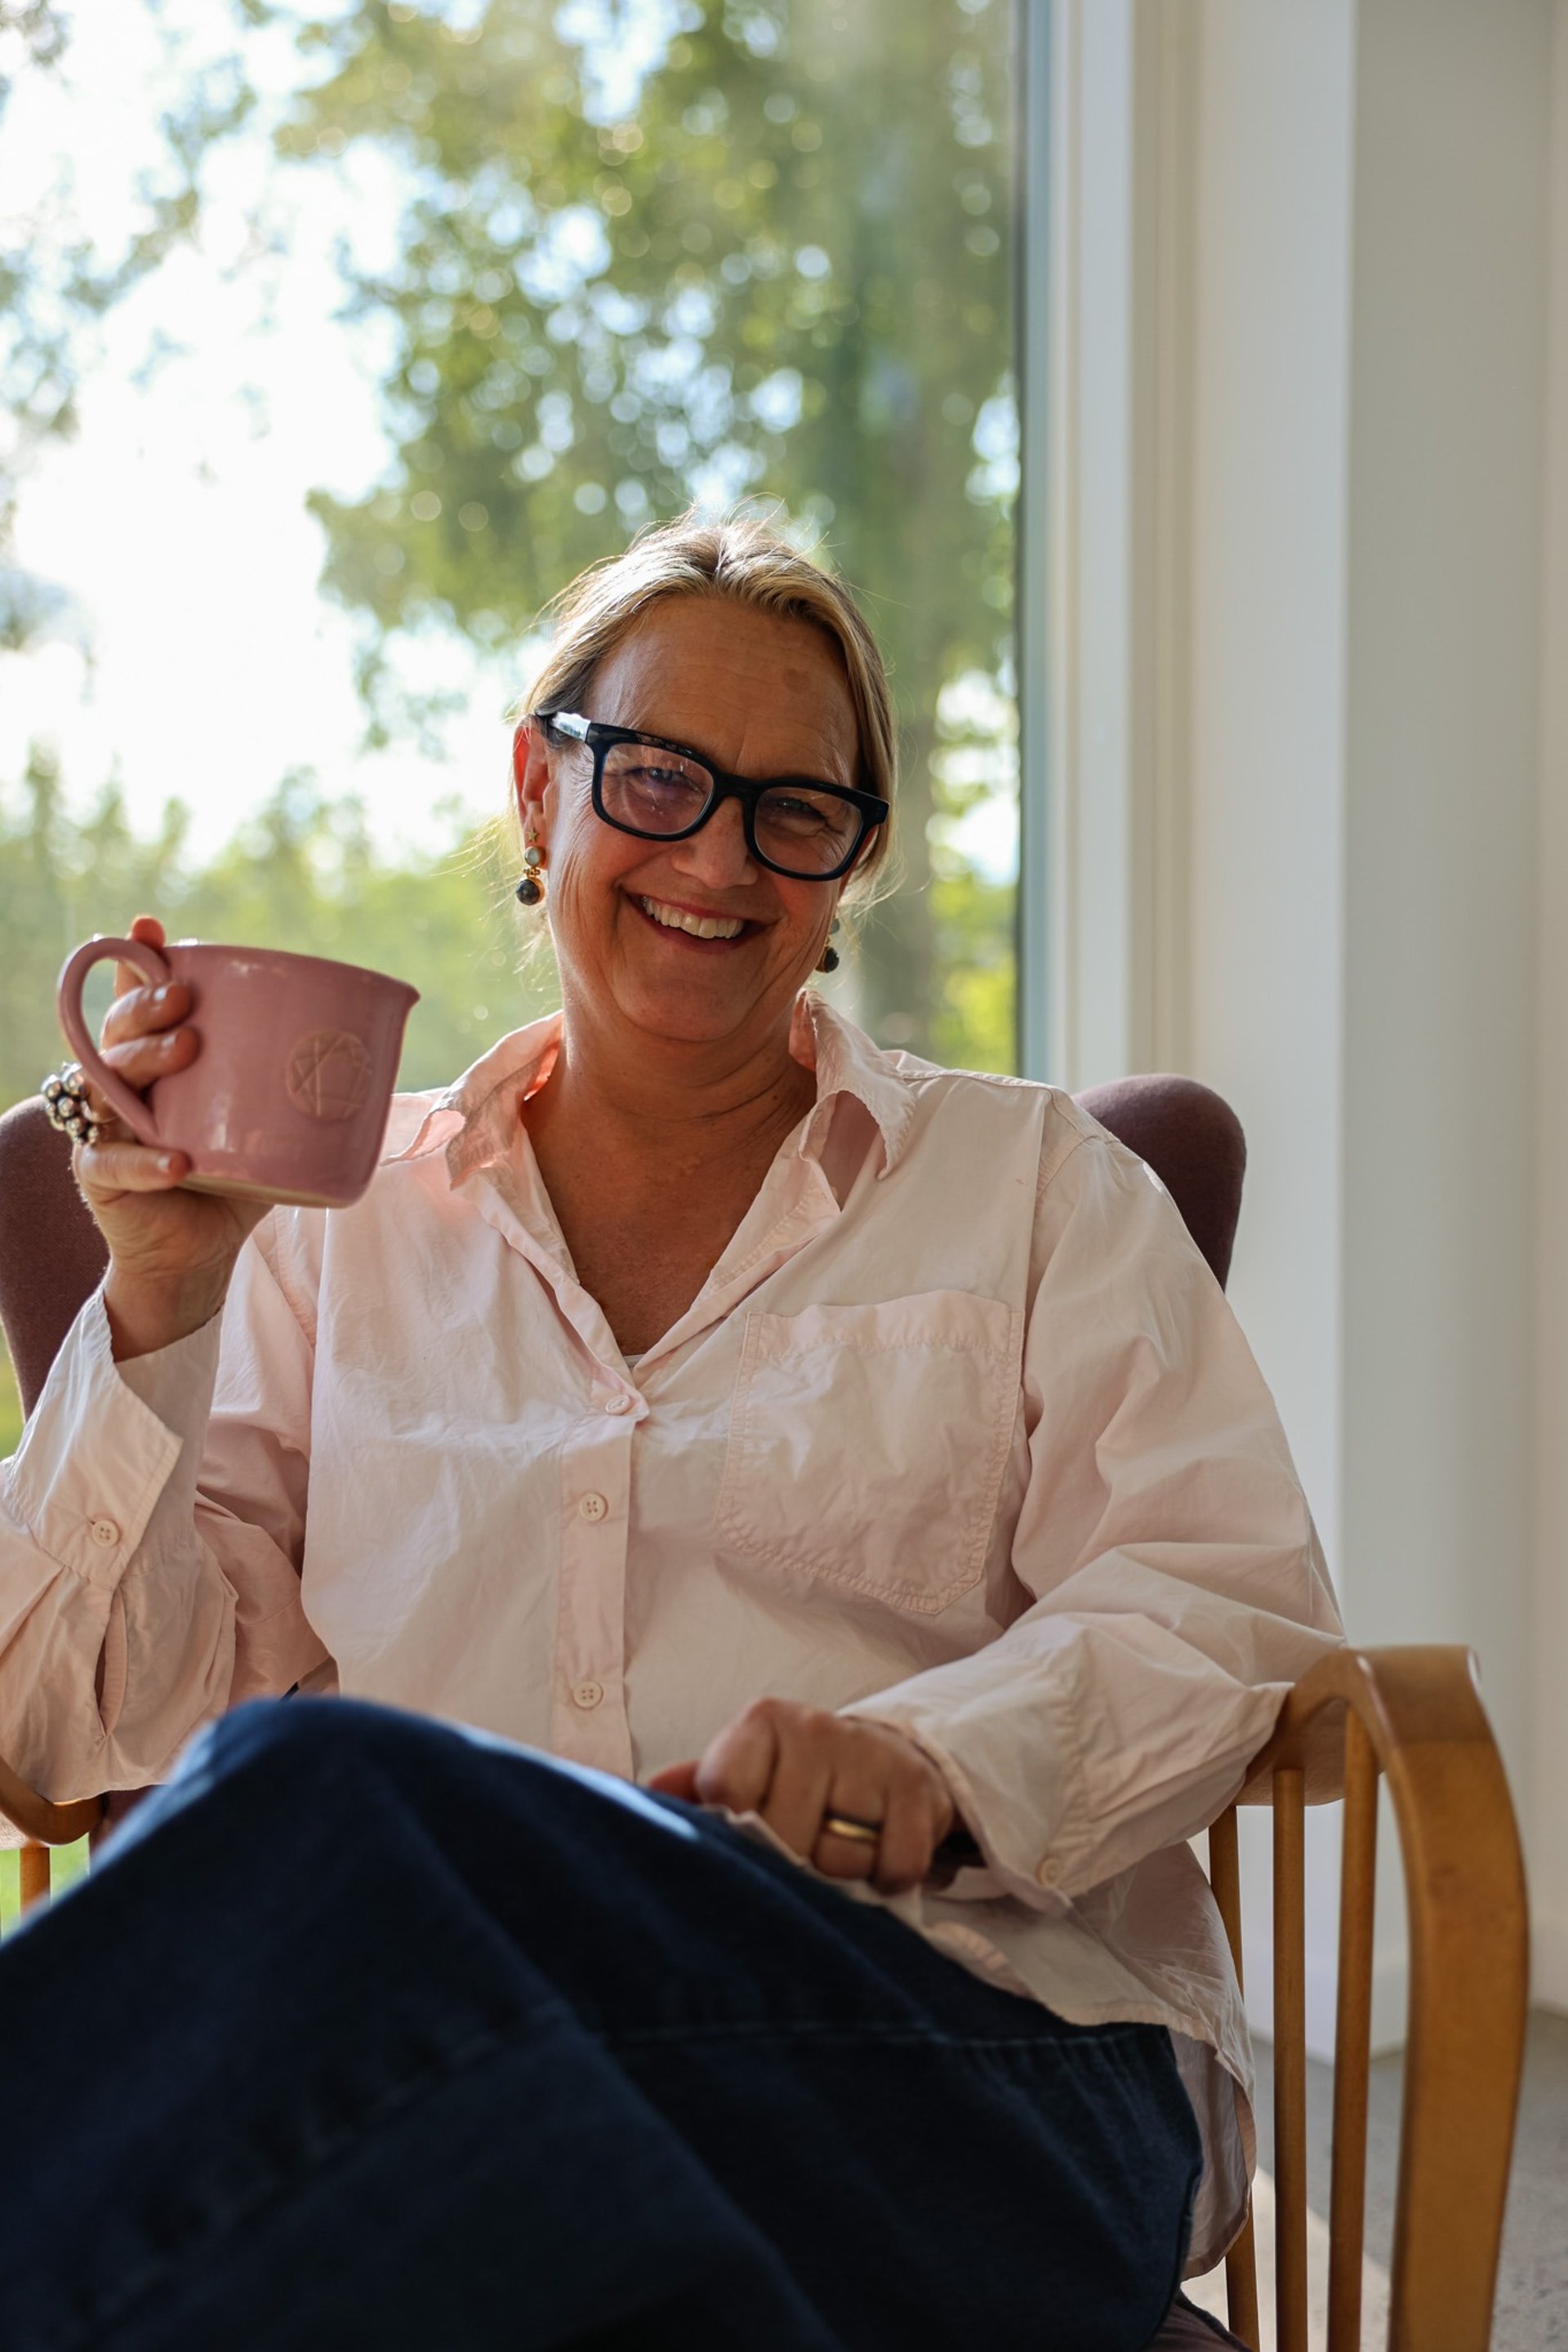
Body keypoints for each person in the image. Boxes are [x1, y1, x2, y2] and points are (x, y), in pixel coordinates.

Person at [0, 514, 1341, 2351]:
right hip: (477, 2064)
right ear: (537, 794)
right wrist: (154, 1298)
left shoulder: (1038, 1190)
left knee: (317, 1814)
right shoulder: (323, 1235)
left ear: (851, 864)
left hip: (970, 2054)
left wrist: (937, 1768)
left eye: (799, 809)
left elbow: (1221, 1602)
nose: (721, 853)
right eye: (656, 776)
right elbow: (75, 1719)